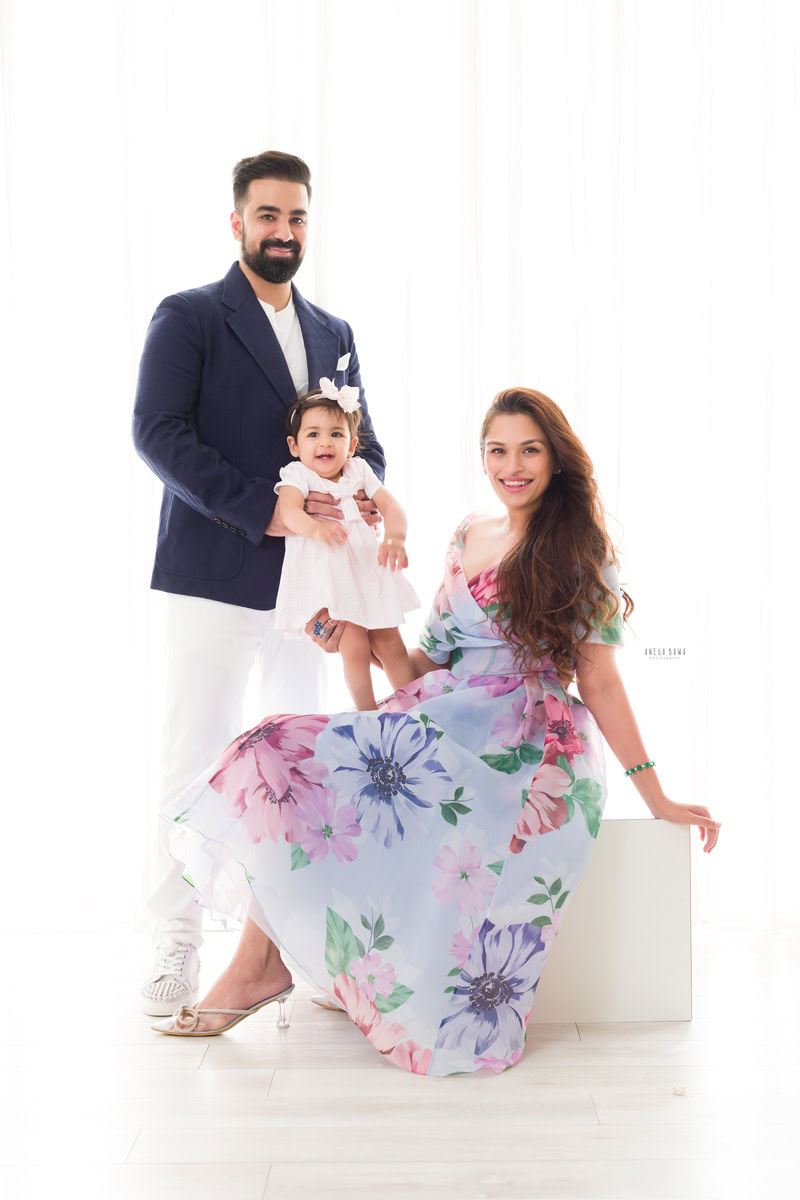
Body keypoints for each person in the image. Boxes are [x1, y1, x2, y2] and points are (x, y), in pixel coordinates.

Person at [150, 388, 721, 1076]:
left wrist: (654, 794)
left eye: (530, 450)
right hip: (444, 707)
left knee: (348, 784)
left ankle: (262, 969)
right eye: (498, 451)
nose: (512, 466)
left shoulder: (579, 547)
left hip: (528, 741)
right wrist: (344, 639)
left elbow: (598, 681)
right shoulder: (465, 535)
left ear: (556, 459)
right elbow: (424, 661)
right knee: (280, 751)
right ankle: (259, 964)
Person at [133, 150, 386, 1016]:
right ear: (236, 221)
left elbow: (369, 448)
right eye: (268, 216)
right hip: (212, 574)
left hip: (311, 598)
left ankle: (291, 949)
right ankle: (173, 945)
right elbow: (157, 434)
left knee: (295, 771)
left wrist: (367, 505)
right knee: (193, 758)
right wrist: (268, 510)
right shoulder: (190, 316)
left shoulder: (336, 333)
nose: (284, 232)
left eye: (298, 218)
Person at [274, 381, 420, 709]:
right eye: (313, 434)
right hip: (332, 577)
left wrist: (396, 539)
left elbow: (392, 507)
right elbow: (289, 512)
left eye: (336, 434)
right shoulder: (297, 474)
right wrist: (314, 530)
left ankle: (419, 711)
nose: (325, 442)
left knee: (390, 642)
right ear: (294, 445)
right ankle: (367, 714)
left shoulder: (358, 470)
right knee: (352, 646)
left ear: (352, 445)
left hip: (368, 569)